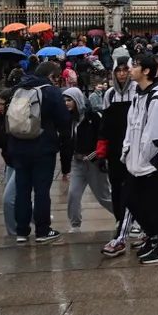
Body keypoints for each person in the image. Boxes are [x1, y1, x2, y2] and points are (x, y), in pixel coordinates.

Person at [7, 64, 70, 244]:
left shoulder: (17, 89)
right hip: (43, 148)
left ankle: (22, 231)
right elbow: (64, 123)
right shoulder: (51, 92)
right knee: (42, 191)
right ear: (51, 75)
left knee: (22, 190)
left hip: (19, 147)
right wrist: (65, 162)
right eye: (56, 77)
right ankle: (43, 230)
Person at [123, 54, 158, 264]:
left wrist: (145, 158)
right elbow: (131, 126)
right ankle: (153, 237)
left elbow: (155, 135)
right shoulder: (138, 95)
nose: (130, 69)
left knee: (157, 205)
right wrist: (127, 154)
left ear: (146, 71)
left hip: (152, 164)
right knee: (132, 201)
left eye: (135, 66)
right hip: (135, 161)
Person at [60, 87, 112, 232]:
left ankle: (125, 216)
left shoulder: (93, 117)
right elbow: (66, 144)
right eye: (64, 100)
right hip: (77, 162)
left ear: (77, 100)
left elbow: (102, 138)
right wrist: (65, 169)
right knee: (73, 194)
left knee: (104, 197)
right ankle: (75, 224)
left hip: (94, 163)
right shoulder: (69, 120)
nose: (66, 103)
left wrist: (96, 155)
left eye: (69, 100)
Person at [99, 61, 137, 258]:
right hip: (114, 146)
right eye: (118, 71)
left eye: (124, 70)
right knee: (115, 184)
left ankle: (133, 220)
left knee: (132, 184)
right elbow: (105, 123)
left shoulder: (137, 91)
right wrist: (102, 150)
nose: (122, 74)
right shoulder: (110, 94)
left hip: (132, 144)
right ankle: (119, 217)